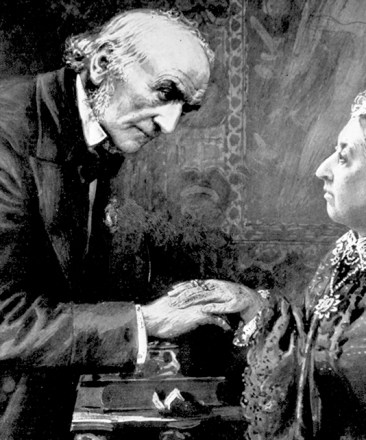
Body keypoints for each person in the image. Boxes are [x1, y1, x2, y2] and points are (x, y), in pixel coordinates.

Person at [0, 8, 233, 439]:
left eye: (185, 107)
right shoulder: (7, 135)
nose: (169, 124)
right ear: (102, 63)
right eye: (165, 92)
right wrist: (144, 322)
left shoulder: (92, 132)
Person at [171, 82, 366, 439]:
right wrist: (252, 307)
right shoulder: (347, 258)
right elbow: (311, 364)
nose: (321, 170)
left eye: (343, 158)